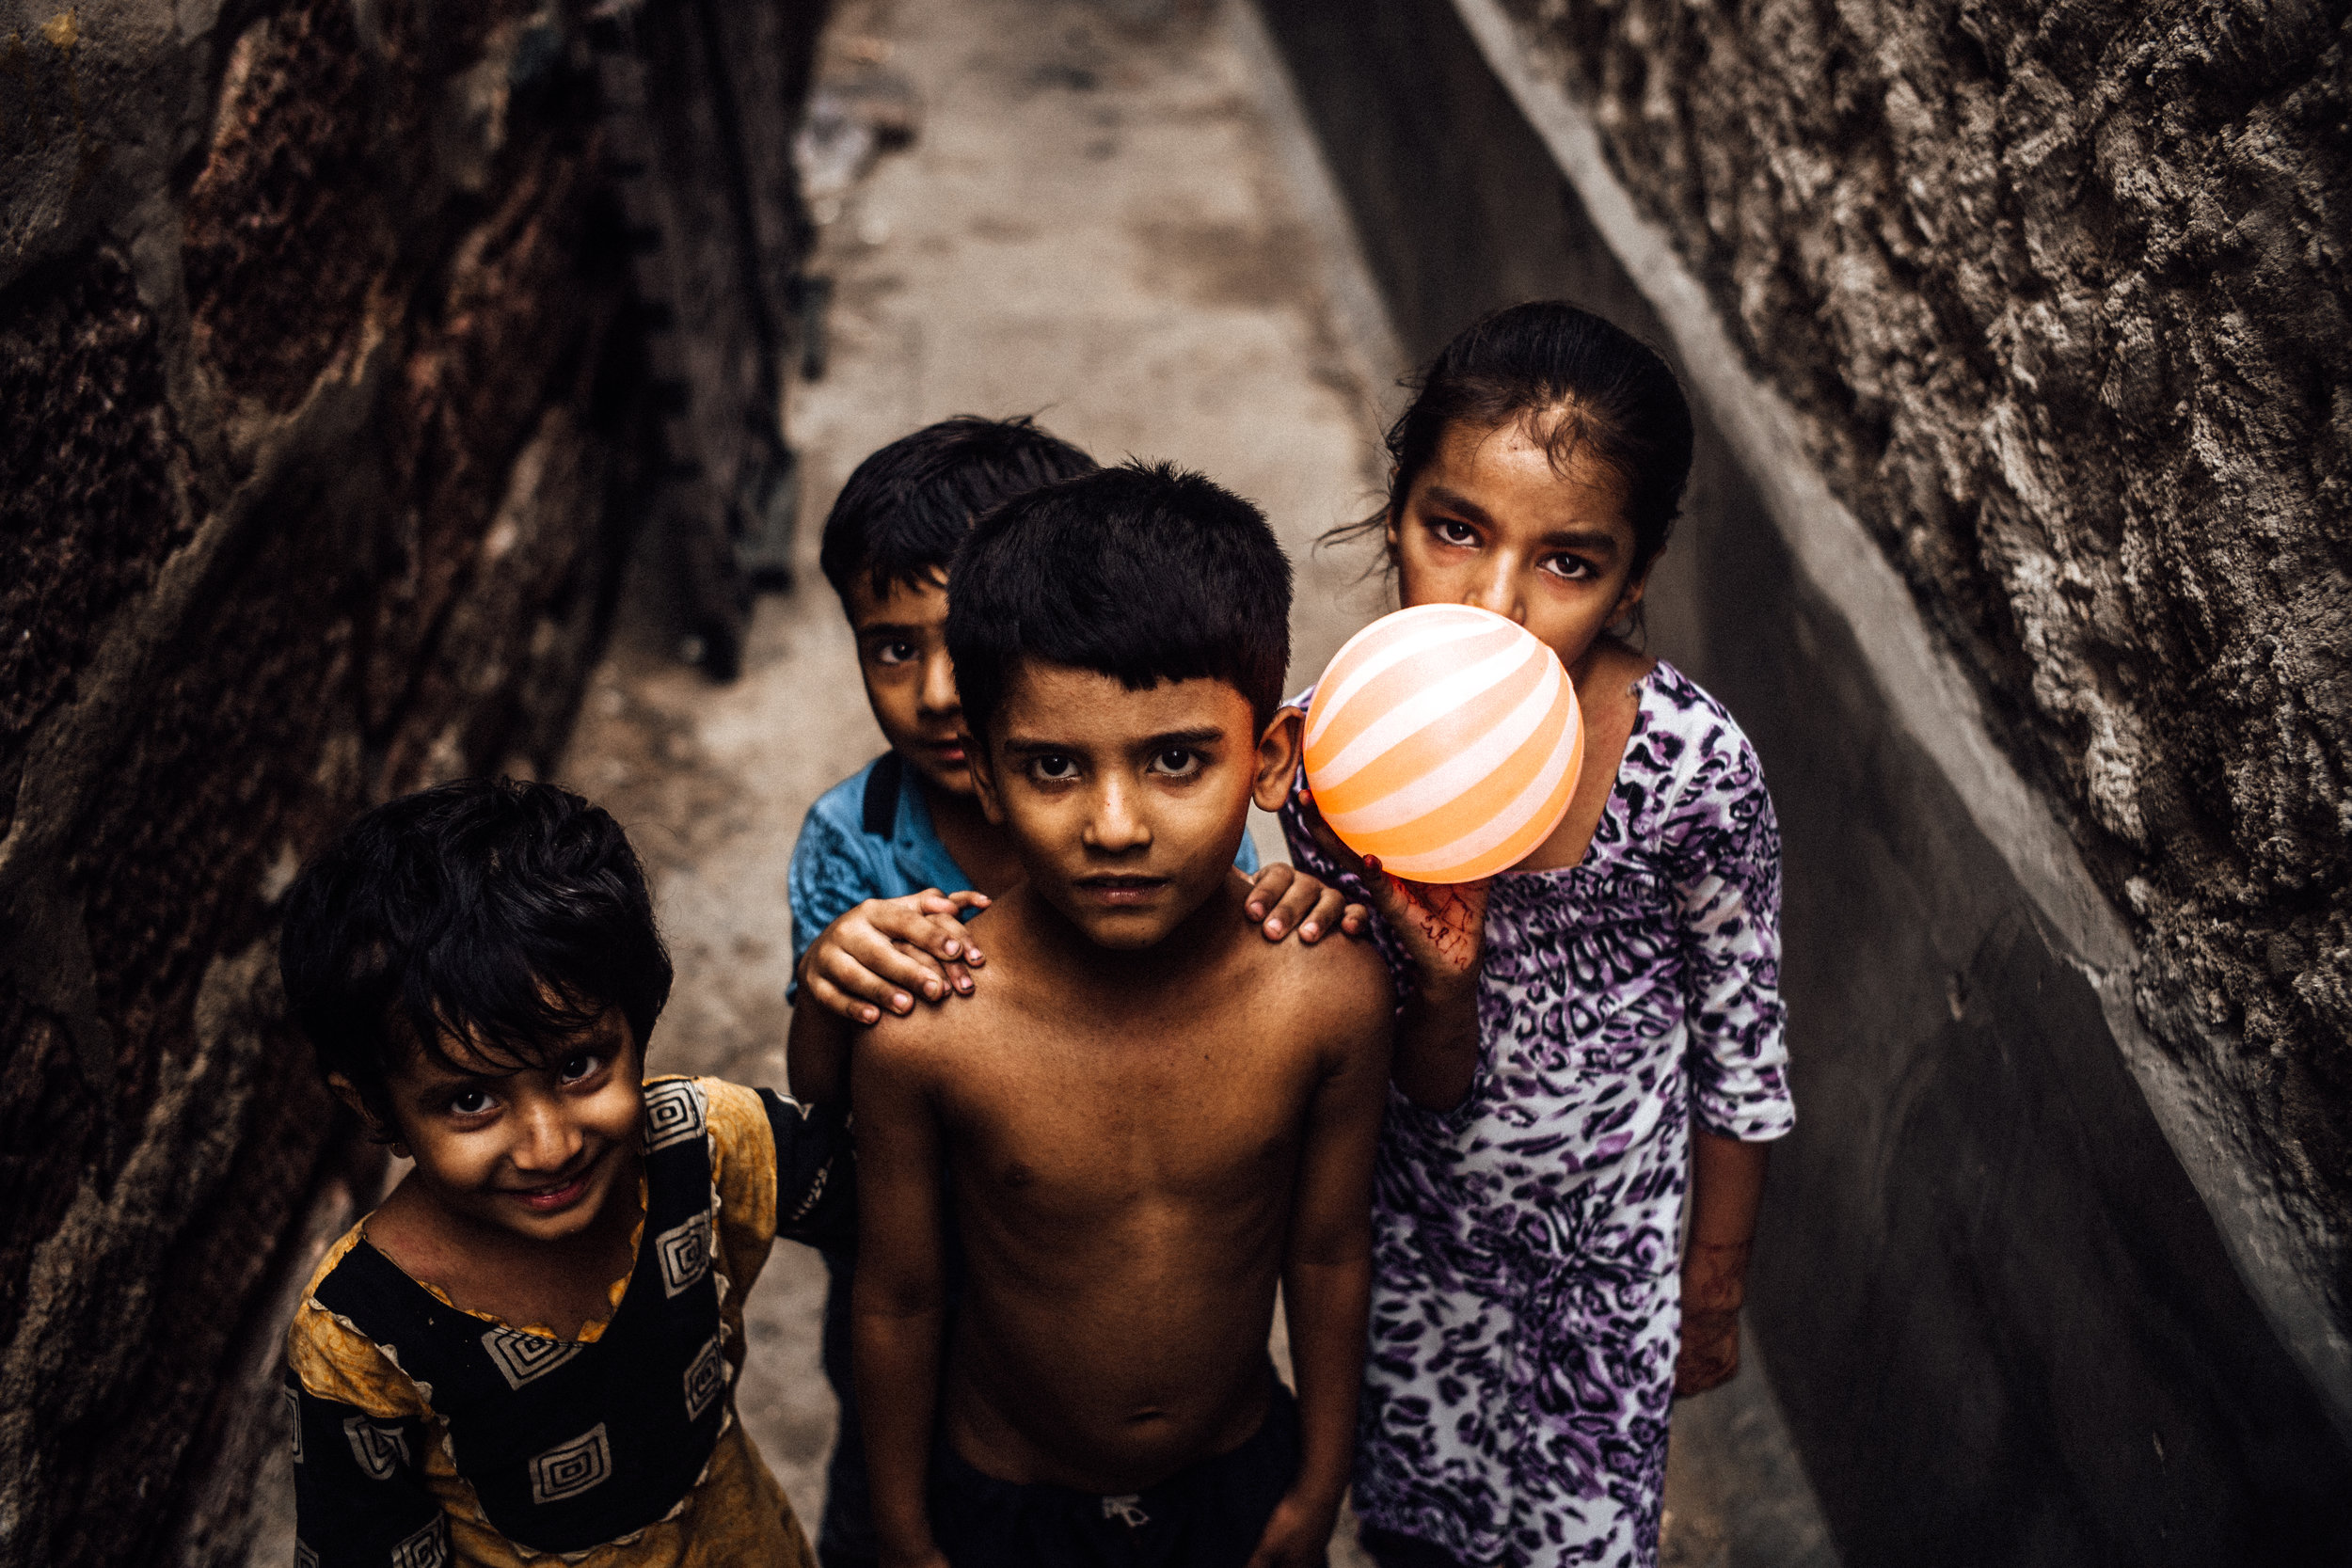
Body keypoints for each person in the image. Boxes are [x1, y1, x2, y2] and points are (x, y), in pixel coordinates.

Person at [785, 417, 1362, 1567]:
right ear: (988, 776)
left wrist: (1320, 1476)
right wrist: (903, 1525)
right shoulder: (926, 1022)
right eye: (1053, 765)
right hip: (1003, 1497)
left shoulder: (1323, 991)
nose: (1114, 826)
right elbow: (898, 1297)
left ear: (1269, 762)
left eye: (1175, 760)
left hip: (1235, 1472)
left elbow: (1332, 1248)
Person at [1280, 301, 1796, 1568]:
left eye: (1568, 561)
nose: (1496, 600)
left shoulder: (1693, 769)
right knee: (1418, 1525)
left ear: (1633, 577)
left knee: (1575, 1543)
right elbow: (1363, 1040)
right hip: (1416, 1238)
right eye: (1454, 529)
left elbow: (1743, 1041)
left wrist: (1711, 1280)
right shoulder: (1338, 760)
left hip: (1609, 1264)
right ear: (1396, 514)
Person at [278, 779, 849, 1568]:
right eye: (471, 1098)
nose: (549, 1146)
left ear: (640, 1017)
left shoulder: (702, 1143)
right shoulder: (362, 1337)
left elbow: (898, 1195)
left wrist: (835, 990)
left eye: (580, 1064)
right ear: (375, 1106)